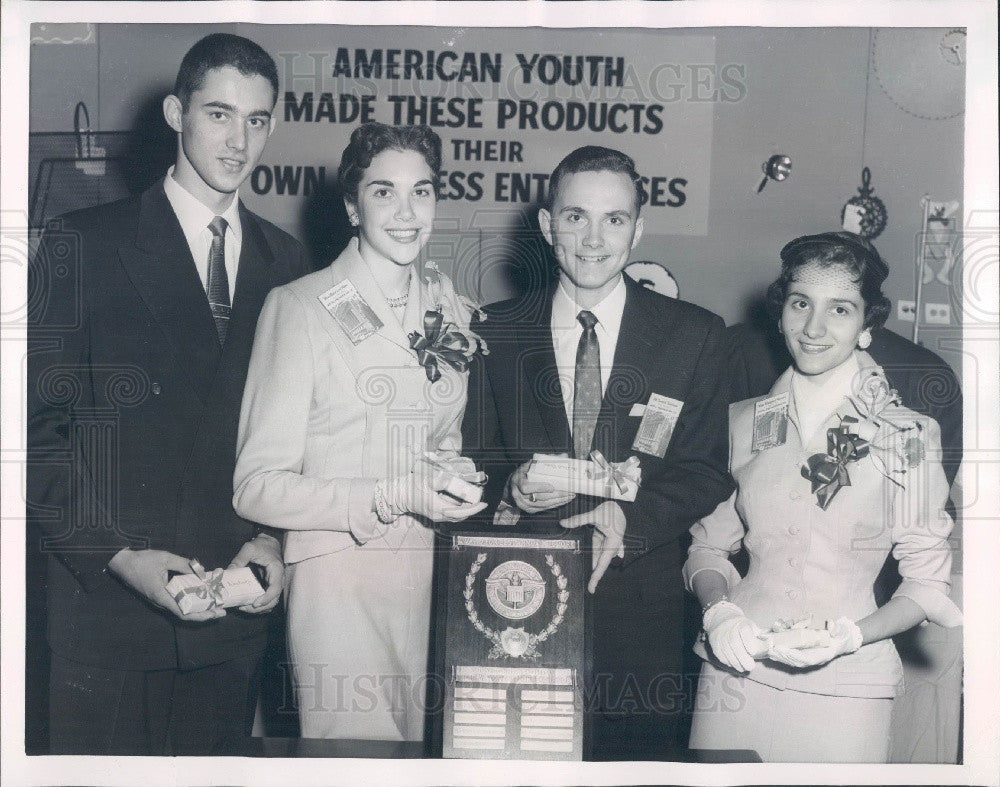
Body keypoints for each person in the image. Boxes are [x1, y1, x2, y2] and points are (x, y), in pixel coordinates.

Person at [26, 33, 311, 755]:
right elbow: (34, 435)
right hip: (107, 615)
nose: (238, 139)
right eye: (219, 113)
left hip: (233, 621)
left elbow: (307, 436)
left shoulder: (293, 264)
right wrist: (121, 556)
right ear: (176, 112)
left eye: (256, 119)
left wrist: (274, 543)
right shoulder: (81, 244)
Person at [461, 146, 733, 759]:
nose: (592, 239)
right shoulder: (493, 329)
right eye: (575, 216)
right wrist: (507, 486)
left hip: (641, 614)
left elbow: (705, 469)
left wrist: (629, 522)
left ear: (638, 228)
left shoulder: (693, 335)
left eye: (614, 219)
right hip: (514, 605)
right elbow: (473, 459)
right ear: (546, 223)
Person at [233, 122, 487, 742]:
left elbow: (442, 438)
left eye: (421, 192)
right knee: (354, 756)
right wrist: (384, 494)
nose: (406, 213)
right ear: (351, 206)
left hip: (432, 573)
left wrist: (450, 475)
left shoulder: (452, 308)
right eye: (383, 193)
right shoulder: (300, 307)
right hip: (338, 576)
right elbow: (256, 487)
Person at [684, 232, 962, 762]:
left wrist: (850, 638)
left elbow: (926, 587)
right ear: (781, 311)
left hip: (847, 688)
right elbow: (707, 549)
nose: (813, 328)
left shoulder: (905, 434)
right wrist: (719, 613)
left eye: (839, 309)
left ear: (867, 326)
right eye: (800, 303)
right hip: (733, 676)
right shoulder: (745, 420)